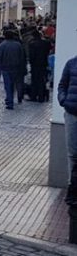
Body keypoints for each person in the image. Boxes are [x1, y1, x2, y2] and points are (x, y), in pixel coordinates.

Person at [57, 54, 77, 208]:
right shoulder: (71, 63)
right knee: (73, 153)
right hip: (71, 114)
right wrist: (63, 100)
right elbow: (62, 85)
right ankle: (73, 187)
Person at [0, 30, 28, 110]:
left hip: (5, 68)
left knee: (8, 85)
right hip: (16, 67)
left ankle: (10, 101)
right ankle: (11, 98)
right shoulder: (18, 45)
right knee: (13, 84)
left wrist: (0, 65)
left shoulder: (3, 45)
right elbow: (22, 57)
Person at [28, 31, 51, 103]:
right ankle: (41, 97)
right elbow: (48, 52)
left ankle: (34, 96)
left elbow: (31, 56)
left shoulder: (32, 44)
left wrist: (31, 63)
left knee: (34, 80)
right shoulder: (46, 43)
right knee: (42, 80)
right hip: (43, 64)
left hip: (35, 65)